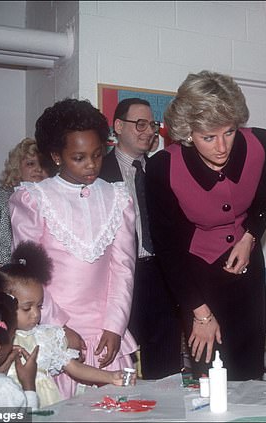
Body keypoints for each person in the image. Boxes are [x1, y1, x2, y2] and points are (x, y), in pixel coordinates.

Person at [146, 70, 266, 380]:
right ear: (187, 133)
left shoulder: (262, 144)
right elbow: (168, 249)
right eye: (208, 137)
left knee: (249, 372)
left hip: (247, 271)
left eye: (229, 132)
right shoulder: (162, 169)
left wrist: (250, 237)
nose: (222, 147)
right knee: (211, 374)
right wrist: (200, 314)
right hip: (195, 278)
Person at [9, 98, 137, 398]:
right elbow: (29, 276)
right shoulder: (35, 199)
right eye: (79, 157)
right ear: (56, 155)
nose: (91, 165)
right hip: (55, 328)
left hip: (106, 330)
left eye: (96, 154)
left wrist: (115, 325)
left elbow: (123, 267)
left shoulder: (117, 198)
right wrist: (58, 327)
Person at [0, 241, 135, 407]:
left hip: (44, 405)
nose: (36, 314)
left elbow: (74, 367)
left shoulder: (45, 337)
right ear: (2, 305)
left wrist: (110, 377)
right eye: (27, 308)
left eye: (40, 306)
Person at [99, 98, 182, 379]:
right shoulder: (98, 173)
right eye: (141, 124)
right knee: (122, 363)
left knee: (166, 364)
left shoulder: (161, 170)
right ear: (119, 126)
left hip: (162, 275)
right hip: (119, 279)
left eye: (153, 125)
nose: (149, 131)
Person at [0, 138, 47, 273]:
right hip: (5, 278)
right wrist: (18, 262)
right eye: (31, 164)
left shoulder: (55, 201)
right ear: (17, 167)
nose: (38, 169)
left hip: (47, 278)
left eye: (43, 164)